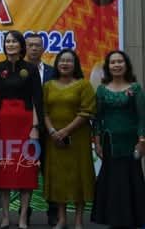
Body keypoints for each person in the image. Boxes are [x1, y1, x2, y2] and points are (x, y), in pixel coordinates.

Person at [0, 30, 42, 229]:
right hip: (3, 124)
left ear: (21, 46)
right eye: (7, 41)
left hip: (25, 124)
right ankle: (5, 217)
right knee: (4, 171)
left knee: (26, 171)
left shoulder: (31, 69)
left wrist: (35, 127)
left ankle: (23, 218)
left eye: (14, 41)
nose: (10, 44)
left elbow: (37, 99)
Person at [42, 49, 95, 229]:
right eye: (62, 61)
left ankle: (79, 220)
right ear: (57, 64)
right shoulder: (48, 86)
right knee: (59, 178)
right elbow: (43, 111)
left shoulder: (84, 85)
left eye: (69, 61)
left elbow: (86, 112)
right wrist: (52, 131)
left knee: (79, 177)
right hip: (54, 140)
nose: (65, 64)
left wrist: (65, 131)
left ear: (75, 65)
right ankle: (62, 219)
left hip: (78, 139)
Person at [91, 50, 145, 228]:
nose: (116, 65)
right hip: (109, 144)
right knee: (112, 182)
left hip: (131, 144)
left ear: (126, 65)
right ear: (108, 67)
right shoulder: (101, 89)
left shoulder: (135, 89)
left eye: (120, 61)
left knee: (130, 180)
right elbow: (97, 118)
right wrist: (97, 142)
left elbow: (142, 118)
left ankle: (132, 220)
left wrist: (142, 141)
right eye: (113, 62)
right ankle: (113, 221)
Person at [24, 34, 57, 225]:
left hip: (49, 130)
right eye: (30, 45)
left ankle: (53, 212)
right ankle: (24, 212)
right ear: (25, 48)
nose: (34, 48)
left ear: (43, 49)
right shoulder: (18, 72)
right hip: (23, 131)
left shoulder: (53, 72)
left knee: (50, 172)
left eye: (37, 45)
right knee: (25, 172)